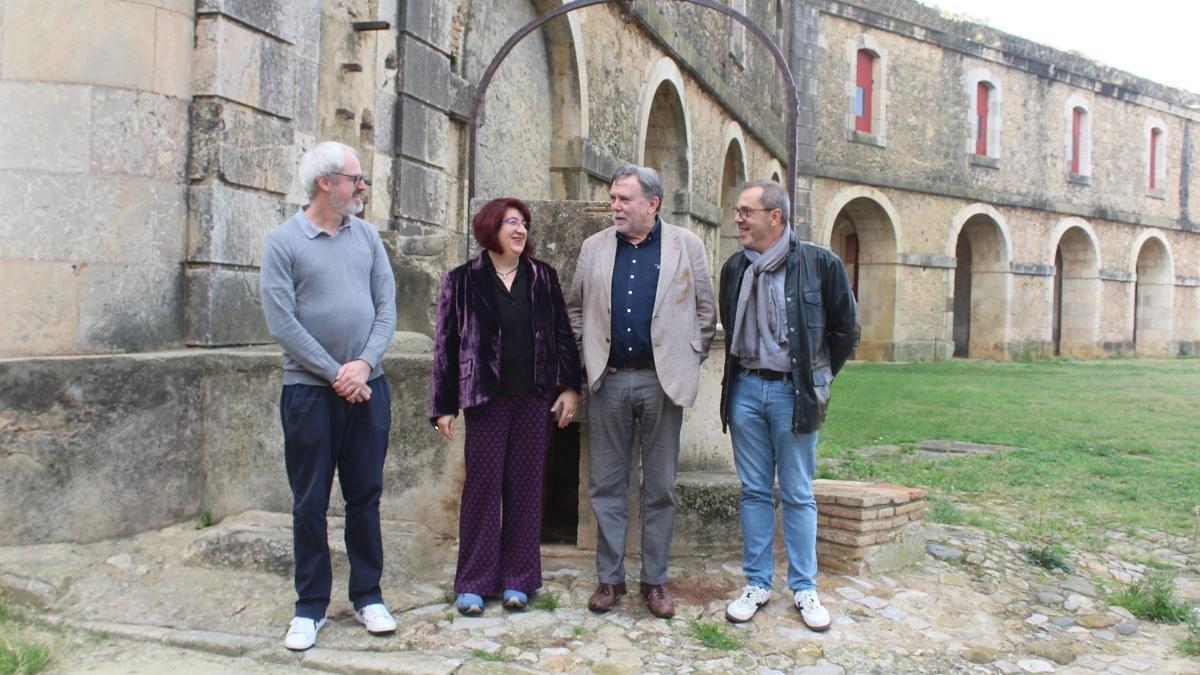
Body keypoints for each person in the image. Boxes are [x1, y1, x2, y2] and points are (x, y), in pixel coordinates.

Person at [260, 141, 398, 650]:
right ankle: (310, 606)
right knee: (309, 502)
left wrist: (362, 366)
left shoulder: (367, 237)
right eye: (356, 180)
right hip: (309, 394)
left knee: (365, 497)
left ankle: (368, 595)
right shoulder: (283, 242)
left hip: (369, 389)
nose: (362, 188)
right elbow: (281, 320)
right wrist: (335, 372)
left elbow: (387, 308)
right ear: (326, 182)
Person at [567, 164, 716, 619]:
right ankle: (609, 580)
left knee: (660, 489)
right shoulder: (594, 248)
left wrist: (686, 360)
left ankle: (655, 582)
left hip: (661, 383)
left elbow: (706, 313)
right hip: (608, 380)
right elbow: (575, 309)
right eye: (613, 197)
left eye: (624, 199)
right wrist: (586, 357)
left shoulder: (686, 246)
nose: (614, 205)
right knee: (607, 485)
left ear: (651, 203)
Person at [717, 180, 859, 631]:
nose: (738, 218)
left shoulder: (820, 263)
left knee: (797, 492)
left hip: (792, 394)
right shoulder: (736, 268)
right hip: (745, 389)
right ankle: (757, 583)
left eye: (747, 211)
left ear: (775, 217)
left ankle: (804, 587)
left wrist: (814, 377)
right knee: (755, 491)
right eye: (738, 211)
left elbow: (845, 330)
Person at [430, 197, 581, 616]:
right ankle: (474, 582)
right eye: (511, 222)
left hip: (534, 401)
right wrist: (444, 406)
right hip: (485, 401)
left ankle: (519, 579)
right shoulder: (461, 281)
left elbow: (563, 335)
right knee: (482, 489)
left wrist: (570, 387)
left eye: (524, 224)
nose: (520, 230)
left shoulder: (543, 277)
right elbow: (446, 346)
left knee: (526, 490)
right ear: (489, 227)